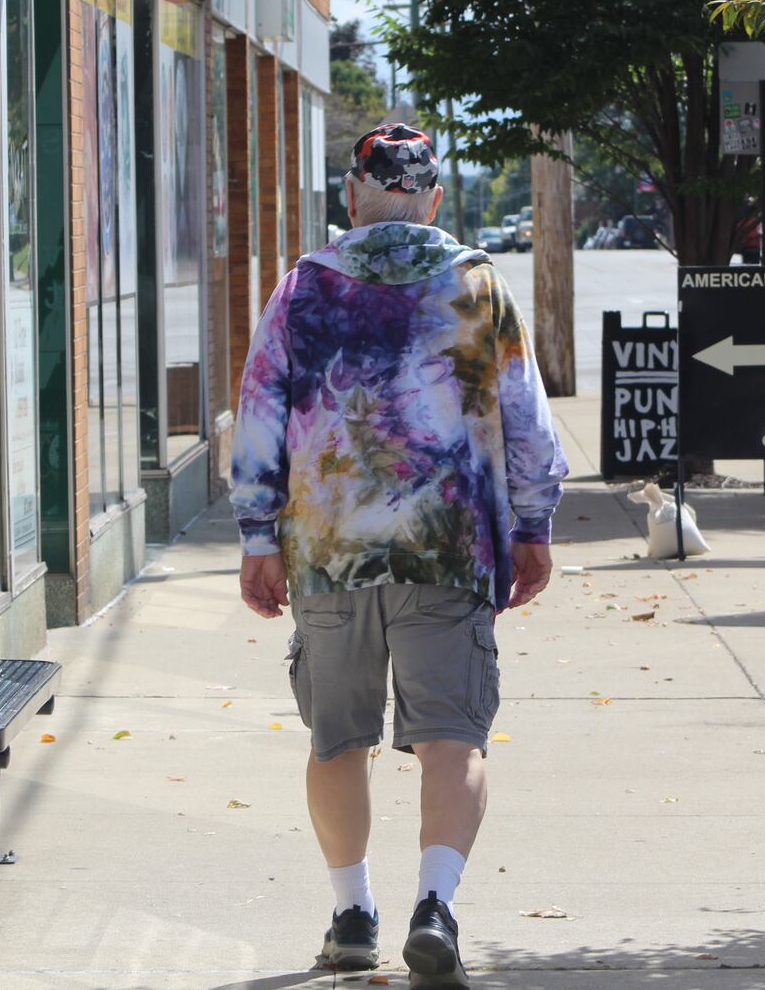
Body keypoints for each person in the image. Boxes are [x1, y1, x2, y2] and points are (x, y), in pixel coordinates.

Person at [231, 123, 568, 988]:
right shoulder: (477, 283)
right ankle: (437, 905)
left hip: (331, 551)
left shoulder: (303, 288)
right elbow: (527, 423)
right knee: (454, 736)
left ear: (352, 196)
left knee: (337, 738)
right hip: (445, 549)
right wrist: (532, 526)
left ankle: (352, 915)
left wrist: (258, 536)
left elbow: (261, 412)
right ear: (435, 198)